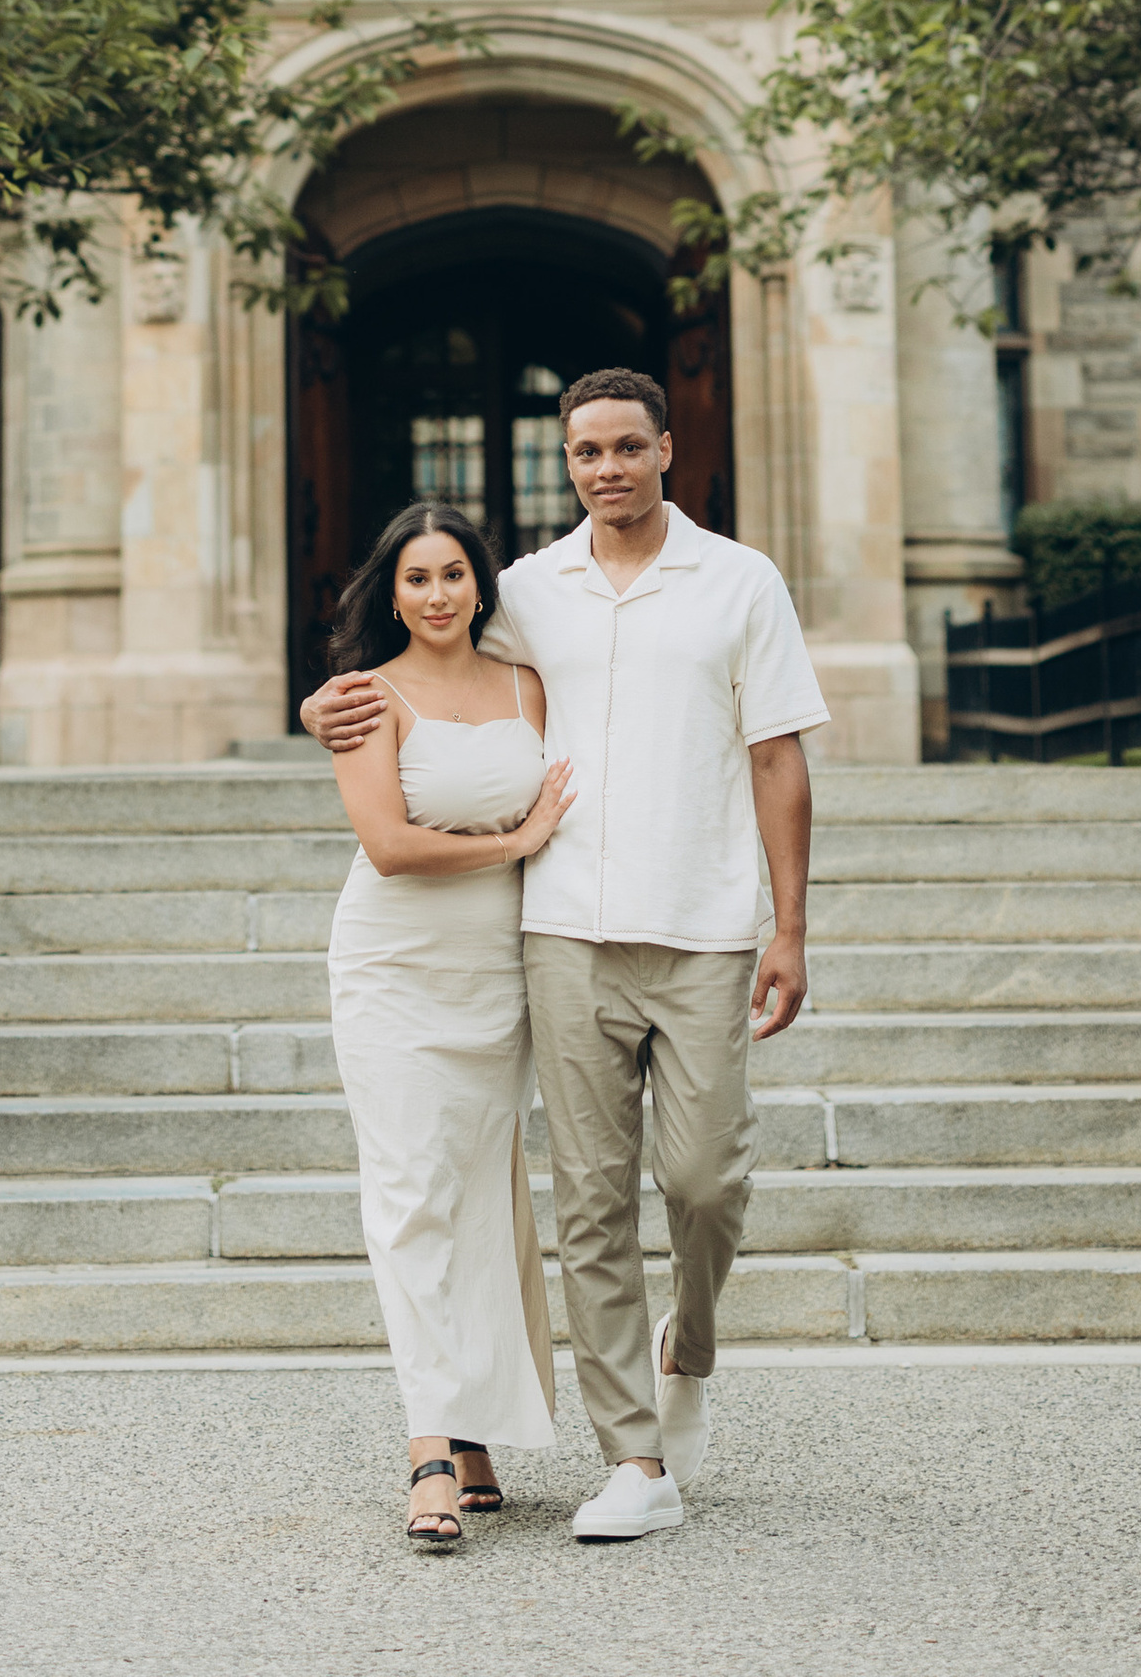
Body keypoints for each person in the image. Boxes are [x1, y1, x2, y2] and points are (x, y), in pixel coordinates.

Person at [305, 367, 824, 1543]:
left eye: (625, 448)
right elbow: (410, 653)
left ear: (665, 451)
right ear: (568, 461)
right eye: (585, 451)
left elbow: (779, 758)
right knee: (586, 1203)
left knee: (702, 1183)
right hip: (555, 932)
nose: (606, 469)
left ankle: (687, 1340)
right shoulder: (529, 589)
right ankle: (630, 1458)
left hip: (698, 922)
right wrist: (316, 712)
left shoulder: (741, 581)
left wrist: (788, 926)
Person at [322, 498, 578, 1552]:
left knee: (484, 1193)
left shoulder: (530, 683)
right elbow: (388, 845)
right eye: (416, 579)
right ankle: (429, 1444)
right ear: (391, 592)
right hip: (391, 964)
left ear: (483, 585)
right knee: (410, 1195)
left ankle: (477, 1431)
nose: (436, 595)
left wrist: (527, 847)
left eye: (453, 576)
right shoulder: (362, 699)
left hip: (498, 972)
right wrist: (517, 841)